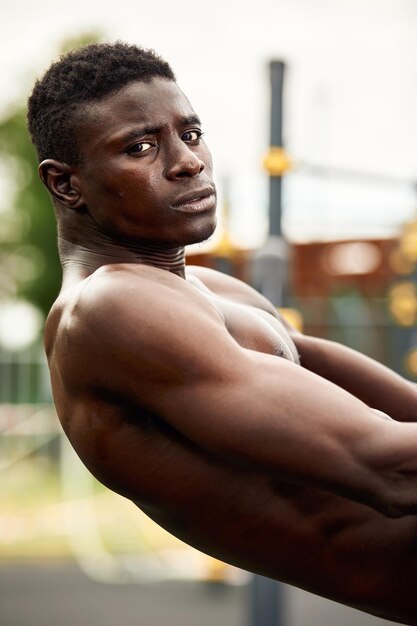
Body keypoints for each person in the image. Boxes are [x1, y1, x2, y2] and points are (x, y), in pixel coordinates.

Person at [27, 41, 417, 624]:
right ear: (66, 185)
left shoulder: (219, 294)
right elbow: (390, 469)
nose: (187, 162)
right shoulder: (110, 307)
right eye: (140, 147)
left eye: (190, 133)